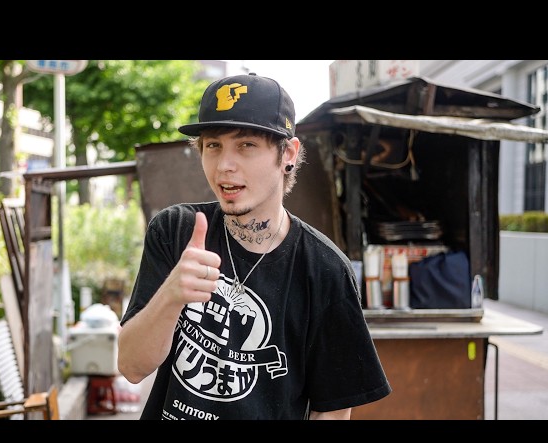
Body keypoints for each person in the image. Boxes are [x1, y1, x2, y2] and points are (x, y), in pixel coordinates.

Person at [117, 72, 391, 420]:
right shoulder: (175, 231)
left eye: (246, 145)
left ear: (288, 153)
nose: (224, 165)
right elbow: (131, 366)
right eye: (213, 145)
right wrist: (172, 295)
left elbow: (332, 412)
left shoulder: (324, 269)